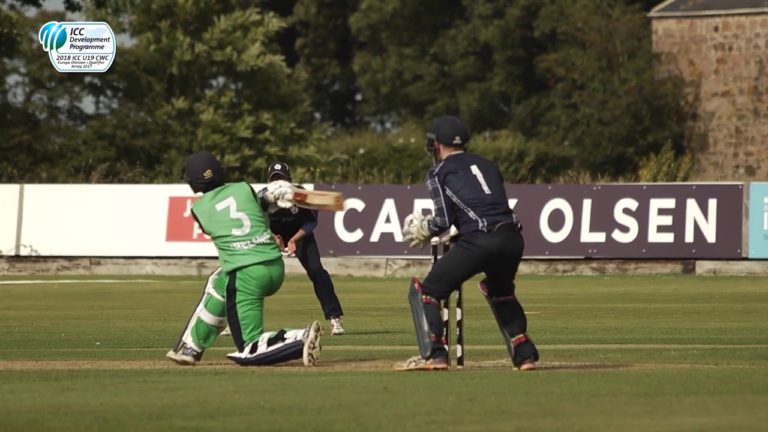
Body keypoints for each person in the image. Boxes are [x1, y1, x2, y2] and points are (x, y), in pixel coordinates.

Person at [397, 115, 539, 371]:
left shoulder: (438, 172)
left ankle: (436, 355)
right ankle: (524, 354)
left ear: (437, 145)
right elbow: (490, 207)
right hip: (511, 238)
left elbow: (442, 220)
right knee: (501, 291)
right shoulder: (488, 164)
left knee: (427, 292)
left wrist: (424, 229)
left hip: (480, 240)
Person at [166, 151, 322, 367]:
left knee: (249, 349)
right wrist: (272, 199)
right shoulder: (243, 187)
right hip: (274, 267)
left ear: (192, 183)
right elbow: (259, 206)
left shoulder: (198, 210)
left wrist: (268, 200)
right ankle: (191, 347)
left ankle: (297, 338)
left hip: (245, 275)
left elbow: (226, 217)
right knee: (218, 281)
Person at [265, 162, 346, 335]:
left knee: (317, 272)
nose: (278, 183)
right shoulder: (262, 197)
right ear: (269, 181)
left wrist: (294, 239)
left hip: (300, 234)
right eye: (275, 179)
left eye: (282, 179)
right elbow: (255, 219)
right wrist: (273, 237)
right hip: (272, 234)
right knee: (251, 274)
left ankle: (334, 317)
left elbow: (311, 221)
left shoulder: (302, 195)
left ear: (290, 180)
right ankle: (229, 322)